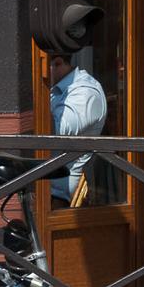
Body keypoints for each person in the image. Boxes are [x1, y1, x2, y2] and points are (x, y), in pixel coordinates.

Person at [48, 53, 107, 203]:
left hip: (60, 199)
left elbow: (57, 131)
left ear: (58, 63)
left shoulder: (86, 91)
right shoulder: (58, 88)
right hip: (43, 188)